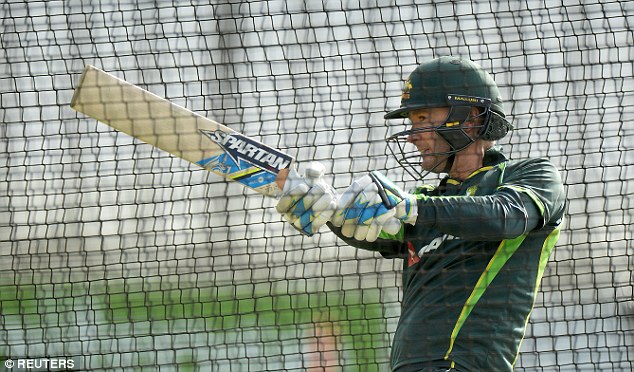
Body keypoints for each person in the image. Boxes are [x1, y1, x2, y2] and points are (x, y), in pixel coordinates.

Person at [276, 56, 566, 371]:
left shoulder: (530, 174)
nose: (413, 135)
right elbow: (369, 228)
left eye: (423, 119)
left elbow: (508, 215)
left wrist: (411, 207)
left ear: (469, 119)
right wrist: (327, 211)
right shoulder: (428, 202)